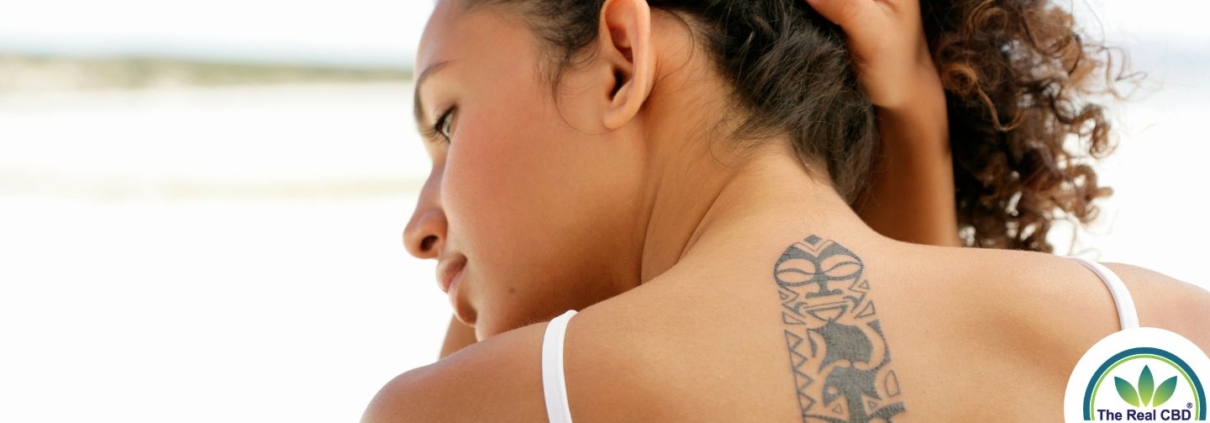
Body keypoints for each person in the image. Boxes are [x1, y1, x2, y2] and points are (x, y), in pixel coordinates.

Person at [366, 0, 1210, 421]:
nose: (421, 224)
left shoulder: (468, 407)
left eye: (446, 119)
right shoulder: (1155, 334)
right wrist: (914, 118)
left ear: (622, 57)